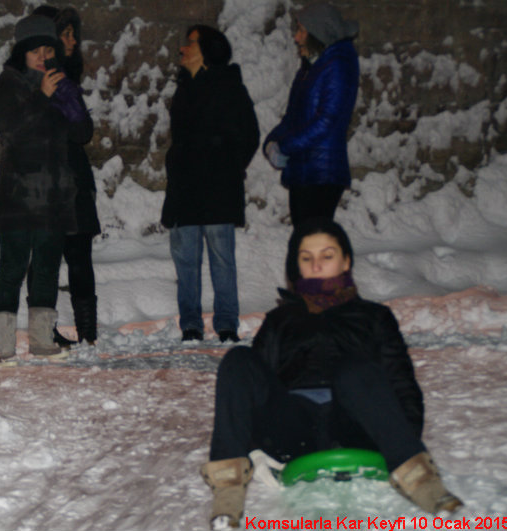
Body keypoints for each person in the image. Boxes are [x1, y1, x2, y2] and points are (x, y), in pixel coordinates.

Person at [199, 219, 462, 529]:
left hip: (357, 423)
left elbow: (401, 382)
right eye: (306, 257)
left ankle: (422, 481)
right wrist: (255, 447)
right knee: (239, 359)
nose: (316, 265)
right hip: (293, 430)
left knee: (355, 370)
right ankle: (228, 490)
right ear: (296, 265)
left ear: (346, 260)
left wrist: (401, 439)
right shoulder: (279, 320)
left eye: (327, 255)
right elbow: (254, 390)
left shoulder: (374, 317)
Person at [0, 14, 89, 364]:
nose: (44, 57)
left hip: (53, 195)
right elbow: (13, 131)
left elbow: (82, 134)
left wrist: (71, 102)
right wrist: (42, 97)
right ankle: (4, 346)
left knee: (47, 268)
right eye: (36, 51)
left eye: (49, 50)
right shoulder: (8, 84)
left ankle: (42, 339)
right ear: (22, 53)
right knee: (13, 268)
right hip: (18, 195)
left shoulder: (59, 83)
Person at [161, 25, 259, 343]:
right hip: (185, 190)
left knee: (222, 259)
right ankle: (191, 323)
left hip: (218, 190)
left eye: (190, 43)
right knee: (186, 260)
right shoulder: (184, 87)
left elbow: (249, 135)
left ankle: (227, 323)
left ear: (207, 50)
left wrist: (227, 167)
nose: (182, 49)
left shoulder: (229, 86)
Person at [30, 5, 101, 347]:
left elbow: (81, 131)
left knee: (79, 255)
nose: (73, 41)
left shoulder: (65, 79)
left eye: (74, 34)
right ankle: (44, 331)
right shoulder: (37, 79)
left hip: (73, 178)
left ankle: (87, 333)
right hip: (49, 179)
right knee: (46, 258)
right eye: (66, 34)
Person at [263, 3, 360, 225]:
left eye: (301, 31)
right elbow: (293, 116)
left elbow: (326, 121)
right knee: (306, 241)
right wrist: (271, 141)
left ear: (319, 33)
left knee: (313, 241)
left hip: (321, 173)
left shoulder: (339, 65)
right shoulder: (310, 68)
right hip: (305, 171)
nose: (296, 38)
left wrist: (284, 146)